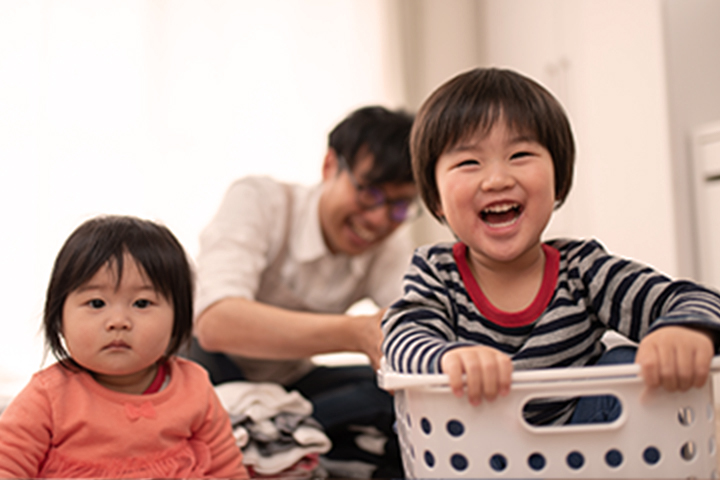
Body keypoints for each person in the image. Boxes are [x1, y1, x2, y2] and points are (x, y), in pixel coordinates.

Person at [381, 67, 720, 426]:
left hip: (586, 455)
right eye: (468, 162)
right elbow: (402, 337)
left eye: (520, 155)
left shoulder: (583, 269)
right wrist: (449, 358)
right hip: (475, 451)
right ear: (435, 200)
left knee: (626, 362)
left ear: (559, 181)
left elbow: (697, 299)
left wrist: (683, 331)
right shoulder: (436, 272)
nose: (497, 179)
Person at [188, 106, 417, 477]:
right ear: (330, 166)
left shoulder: (388, 244)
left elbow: (413, 316)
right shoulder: (261, 201)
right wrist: (356, 333)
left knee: (401, 394)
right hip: (209, 372)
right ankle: (276, 436)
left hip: (291, 382)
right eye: (369, 192)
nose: (378, 219)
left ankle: (275, 437)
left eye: (399, 205)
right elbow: (215, 322)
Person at [0, 216, 248, 479]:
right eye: (96, 303)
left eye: (141, 303)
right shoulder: (47, 397)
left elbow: (227, 470)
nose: (118, 322)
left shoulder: (194, 387)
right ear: (59, 317)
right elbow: (7, 466)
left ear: (178, 318)